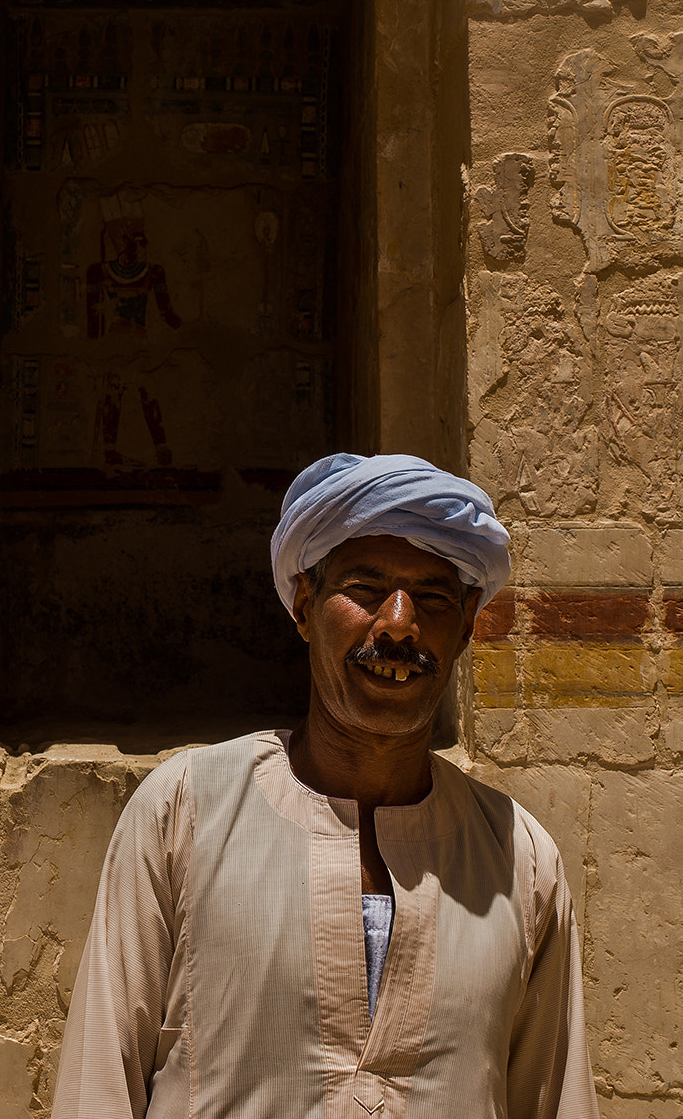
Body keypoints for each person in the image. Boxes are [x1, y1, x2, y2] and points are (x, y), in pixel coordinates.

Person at [52, 453, 598, 1119]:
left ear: (465, 626)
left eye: (431, 597)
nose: (399, 624)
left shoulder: (521, 861)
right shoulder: (184, 811)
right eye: (367, 589)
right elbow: (98, 1085)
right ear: (306, 608)